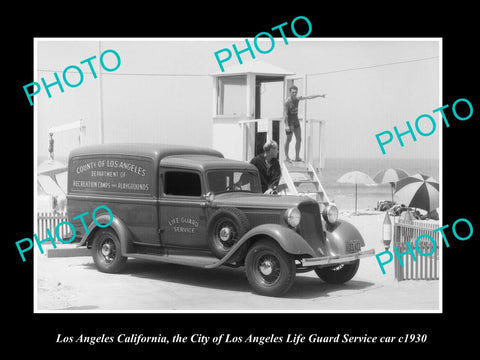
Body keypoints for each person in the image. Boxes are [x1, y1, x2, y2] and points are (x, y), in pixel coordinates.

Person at [284, 85, 326, 162]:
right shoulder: (287, 102)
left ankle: (297, 157)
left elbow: (309, 97)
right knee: (288, 140)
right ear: (290, 92)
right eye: (293, 92)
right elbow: (285, 114)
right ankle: (287, 157)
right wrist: (286, 125)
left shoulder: (297, 99)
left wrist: (319, 95)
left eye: (296, 92)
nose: (294, 93)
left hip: (296, 122)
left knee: (299, 139)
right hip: (290, 123)